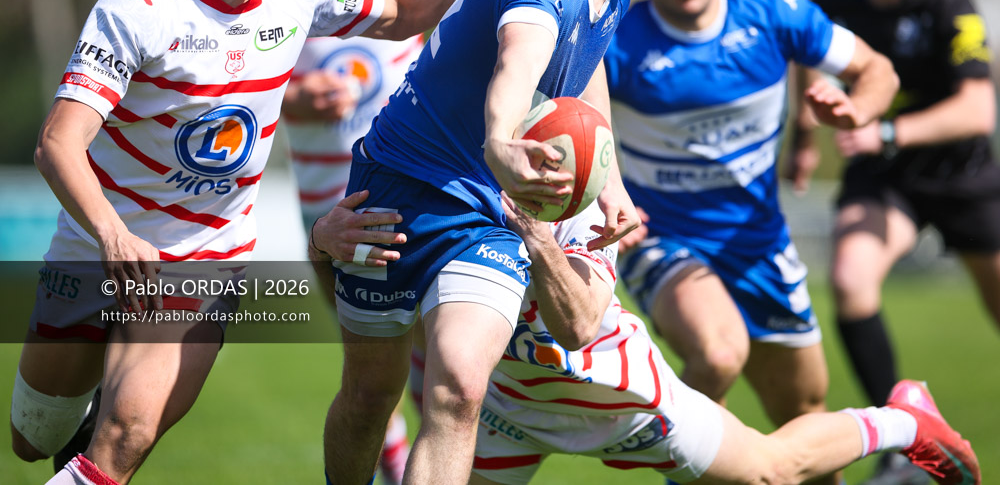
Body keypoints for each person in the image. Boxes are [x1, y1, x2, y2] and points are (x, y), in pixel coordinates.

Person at [7, 0, 550, 484]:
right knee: (34, 437)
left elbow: (401, 12)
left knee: (128, 434)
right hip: (96, 247)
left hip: (205, 259)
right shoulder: (137, 5)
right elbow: (57, 144)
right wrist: (113, 234)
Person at [307, 0, 700, 483]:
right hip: (397, 193)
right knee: (371, 393)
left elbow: (588, 65)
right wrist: (499, 141)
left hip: (488, 210)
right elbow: (517, 67)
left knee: (458, 386)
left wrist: (611, 184)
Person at [313, 192, 981, 484]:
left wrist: (538, 236)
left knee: (771, 469)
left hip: (620, 396)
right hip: (505, 412)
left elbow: (580, 318)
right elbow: (348, 290)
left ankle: (903, 419)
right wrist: (323, 241)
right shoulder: (433, 180)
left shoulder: (569, 182)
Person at [603, 0, 899, 485]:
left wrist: (856, 111)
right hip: (661, 238)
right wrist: (606, 199)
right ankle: (688, 461)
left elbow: (877, 70)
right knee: (718, 352)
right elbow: (569, 123)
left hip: (760, 244)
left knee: (804, 413)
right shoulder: (616, 41)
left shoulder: (775, 16)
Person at [787, 0, 1000, 484]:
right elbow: (809, 59)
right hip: (885, 178)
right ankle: (904, 445)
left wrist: (887, 132)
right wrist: (802, 140)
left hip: (964, 174)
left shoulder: (949, 3)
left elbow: (979, 109)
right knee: (853, 280)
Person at [277, 0, 460, 482]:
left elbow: (464, 19)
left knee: (433, 362)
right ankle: (390, 458)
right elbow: (229, 77)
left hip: (420, 178)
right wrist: (289, 99)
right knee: (371, 363)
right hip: (328, 203)